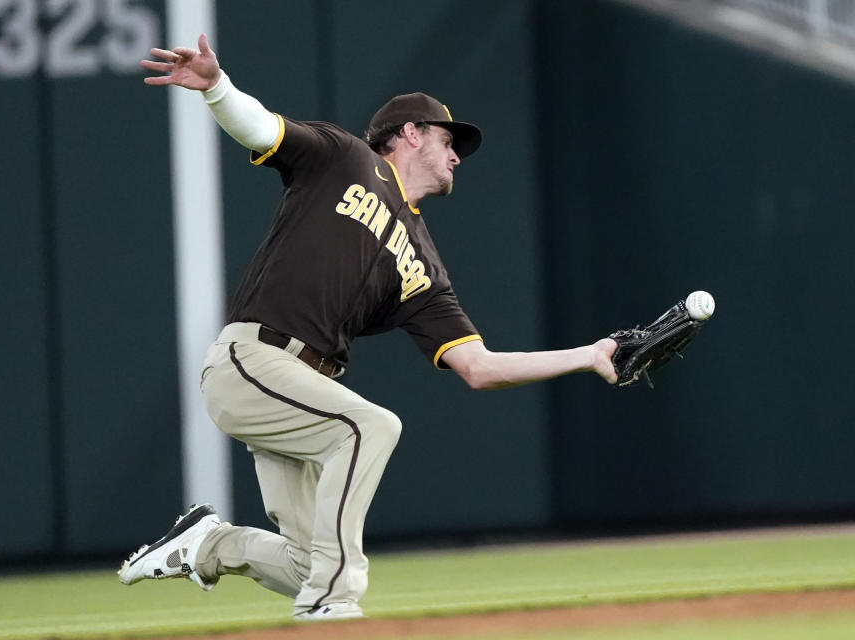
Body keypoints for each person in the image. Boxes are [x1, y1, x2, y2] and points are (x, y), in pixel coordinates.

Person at [118, 34, 618, 622]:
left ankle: (207, 545)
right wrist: (217, 87)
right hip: (253, 362)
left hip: (302, 391)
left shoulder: (424, 263)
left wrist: (589, 354)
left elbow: (480, 368)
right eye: (447, 138)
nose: (457, 154)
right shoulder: (346, 158)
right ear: (410, 133)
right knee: (368, 428)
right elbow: (262, 130)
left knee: (307, 561)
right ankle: (332, 603)